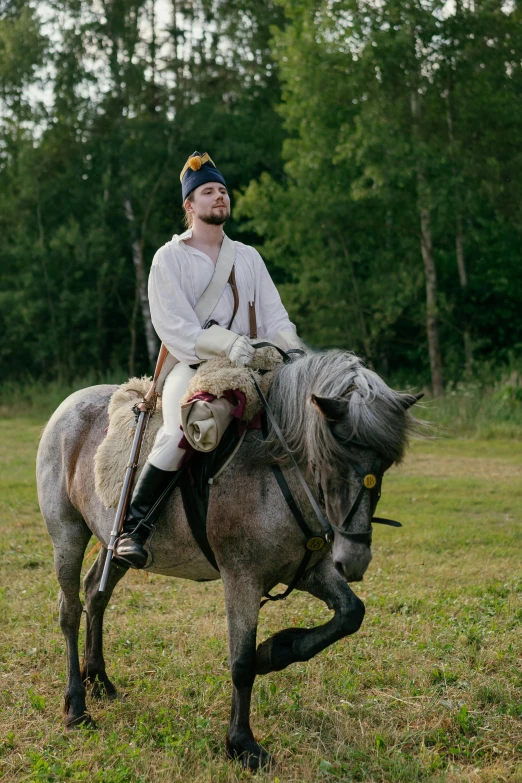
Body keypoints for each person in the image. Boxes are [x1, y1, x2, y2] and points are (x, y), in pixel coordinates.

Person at [114, 151, 305, 569]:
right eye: (207, 192)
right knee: (183, 427)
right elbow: (175, 328)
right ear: (189, 205)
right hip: (194, 366)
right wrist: (224, 344)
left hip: (252, 366)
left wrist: (295, 350)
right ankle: (134, 527)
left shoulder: (249, 256)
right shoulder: (170, 258)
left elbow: (275, 317)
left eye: (222, 190)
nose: (219, 197)